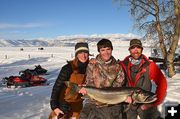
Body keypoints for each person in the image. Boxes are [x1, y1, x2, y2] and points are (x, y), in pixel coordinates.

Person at [79, 38, 127, 119]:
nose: (106, 52)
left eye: (108, 49)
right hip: (94, 99)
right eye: (103, 50)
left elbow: (118, 87)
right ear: (99, 51)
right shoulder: (92, 64)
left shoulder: (118, 67)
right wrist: (86, 90)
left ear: (112, 49)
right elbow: (90, 82)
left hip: (111, 101)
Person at [120, 39, 167, 119]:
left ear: (142, 49)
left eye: (138, 47)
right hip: (128, 103)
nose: (136, 50)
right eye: (133, 48)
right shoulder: (122, 65)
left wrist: (152, 103)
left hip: (145, 101)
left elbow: (162, 84)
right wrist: (94, 61)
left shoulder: (149, 65)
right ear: (129, 50)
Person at [49, 41, 89, 119]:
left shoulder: (90, 67)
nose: (83, 56)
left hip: (77, 104)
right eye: (80, 53)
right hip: (63, 102)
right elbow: (57, 87)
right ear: (76, 54)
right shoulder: (68, 68)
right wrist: (55, 107)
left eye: (85, 53)